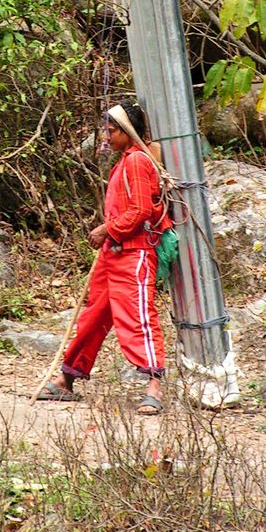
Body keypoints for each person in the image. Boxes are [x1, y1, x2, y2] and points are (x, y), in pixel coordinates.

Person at [38, 101, 172, 415]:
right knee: (92, 318)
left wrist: (106, 229)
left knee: (138, 318)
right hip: (112, 254)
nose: (106, 136)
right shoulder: (123, 161)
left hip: (134, 252)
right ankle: (65, 380)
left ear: (127, 132)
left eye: (111, 131)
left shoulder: (137, 161)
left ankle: (154, 387)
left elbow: (140, 211)